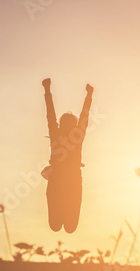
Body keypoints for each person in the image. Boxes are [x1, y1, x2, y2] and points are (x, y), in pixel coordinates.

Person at [41, 78, 94, 233]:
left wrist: (47, 90)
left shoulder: (57, 134)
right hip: (71, 180)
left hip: (61, 181)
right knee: (68, 228)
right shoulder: (77, 136)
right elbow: (84, 116)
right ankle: (63, 208)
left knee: (57, 227)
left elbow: (50, 114)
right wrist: (89, 95)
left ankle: (62, 208)